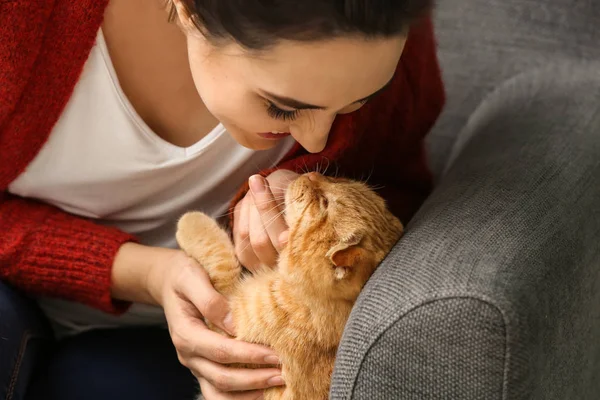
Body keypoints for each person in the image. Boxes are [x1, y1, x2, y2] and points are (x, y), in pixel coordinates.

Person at [0, 0, 444, 399]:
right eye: (283, 108)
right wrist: (146, 272)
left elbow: (398, 191)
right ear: (189, 9)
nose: (316, 141)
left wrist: (303, 189)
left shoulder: (380, 14)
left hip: (191, 354)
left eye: (355, 104)